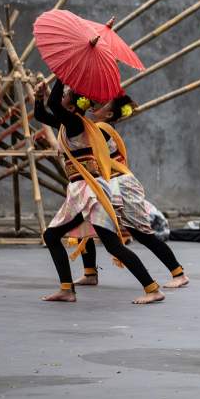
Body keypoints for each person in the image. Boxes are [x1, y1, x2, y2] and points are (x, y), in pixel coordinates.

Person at [36, 79, 164, 304]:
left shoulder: (75, 122)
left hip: (88, 191)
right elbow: (42, 115)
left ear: (73, 106)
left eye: (66, 94)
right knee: (58, 236)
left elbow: (54, 105)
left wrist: (61, 75)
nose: (63, 95)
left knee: (105, 244)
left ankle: (152, 289)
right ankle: (68, 289)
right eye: (64, 93)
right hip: (83, 190)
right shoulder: (70, 123)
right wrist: (39, 97)